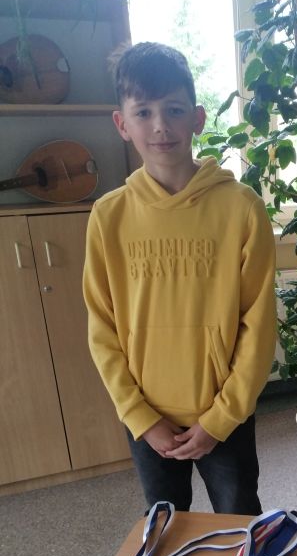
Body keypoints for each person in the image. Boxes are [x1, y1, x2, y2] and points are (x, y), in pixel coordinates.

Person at [83, 42, 276, 514]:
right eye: (143, 112)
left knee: (239, 521)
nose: (160, 126)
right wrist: (140, 416)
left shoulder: (241, 208)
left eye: (173, 109)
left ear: (197, 118)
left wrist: (221, 418)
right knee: (166, 528)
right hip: (148, 421)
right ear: (122, 124)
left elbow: (258, 325)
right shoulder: (108, 216)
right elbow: (102, 331)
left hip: (224, 417)